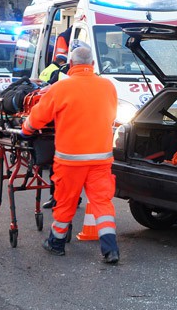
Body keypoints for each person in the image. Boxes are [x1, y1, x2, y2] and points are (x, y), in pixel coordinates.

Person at [21, 44, 120, 264]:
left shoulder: (60, 88)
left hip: (70, 159)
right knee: (102, 203)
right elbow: (112, 114)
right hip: (101, 157)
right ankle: (110, 249)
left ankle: (56, 243)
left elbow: (38, 117)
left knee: (65, 202)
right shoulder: (108, 87)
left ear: (71, 64)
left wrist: (25, 130)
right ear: (92, 65)